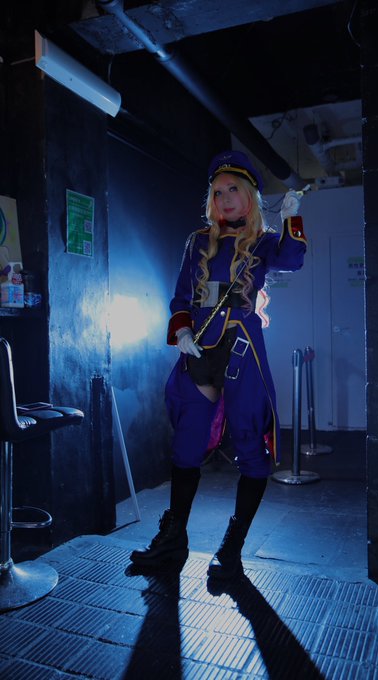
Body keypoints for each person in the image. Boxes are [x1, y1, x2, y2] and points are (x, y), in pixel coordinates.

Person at [130, 150, 307, 579]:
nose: (225, 199)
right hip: (200, 349)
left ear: (249, 196)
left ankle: (232, 547)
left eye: (233, 190)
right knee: (187, 444)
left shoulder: (264, 241)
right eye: (217, 192)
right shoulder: (197, 241)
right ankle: (173, 539)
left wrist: (292, 219)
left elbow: (293, 259)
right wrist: (182, 332)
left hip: (242, 350)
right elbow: (180, 297)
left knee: (250, 445)